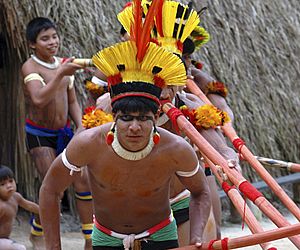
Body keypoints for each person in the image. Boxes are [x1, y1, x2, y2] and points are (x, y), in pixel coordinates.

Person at [39, 2, 211, 249]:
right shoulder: (88, 143)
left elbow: (201, 192)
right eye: (126, 118)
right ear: (114, 116)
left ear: (155, 118)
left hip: (161, 235)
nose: (134, 127)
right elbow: (50, 190)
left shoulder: (175, 148)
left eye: (143, 119)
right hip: (107, 238)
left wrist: (196, 236)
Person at [21, 17, 93, 249]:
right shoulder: (30, 67)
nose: (52, 42)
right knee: (54, 188)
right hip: (40, 135)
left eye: (54, 36)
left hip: (65, 132)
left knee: (82, 181)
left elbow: (71, 101)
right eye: (45, 39)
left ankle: (90, 240)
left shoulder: (63, 65)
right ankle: (38, 234)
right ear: (33, 44)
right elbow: (39, 99)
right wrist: (61, 72)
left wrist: (80, 125)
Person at [0, 165, 39, 250]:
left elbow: (30, 206)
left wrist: (45, 211)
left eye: (11, 181)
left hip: (5, 240)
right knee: (20, 248)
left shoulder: (16, 197)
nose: (9, 185)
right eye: (3, 184)